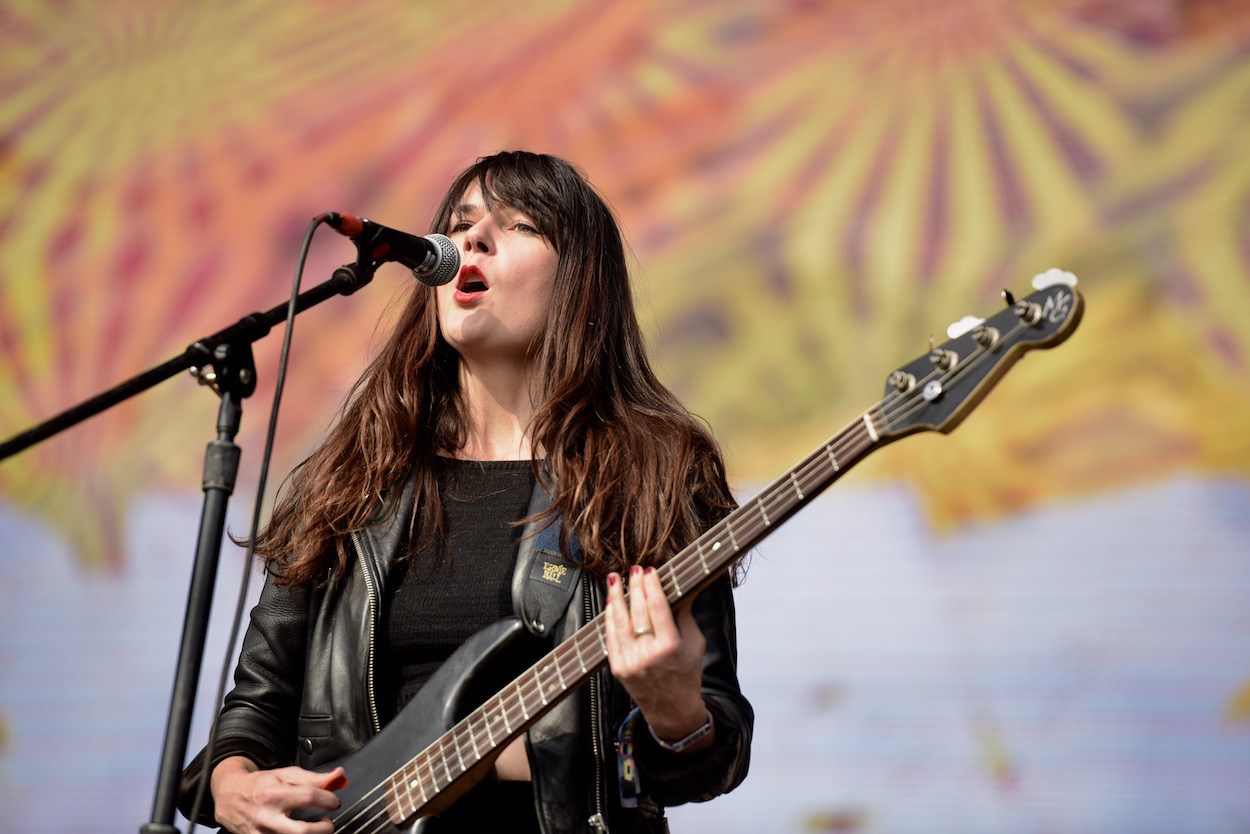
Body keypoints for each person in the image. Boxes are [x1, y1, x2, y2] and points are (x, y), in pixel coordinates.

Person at [178, 150, 753, 833]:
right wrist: (231, 784)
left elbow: (710, 761)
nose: (471, 240)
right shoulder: (355, 475)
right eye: (461, 223)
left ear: (581, 279)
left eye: (518, 225)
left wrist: (675, 712)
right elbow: (258, 704)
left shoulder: (654, 472)